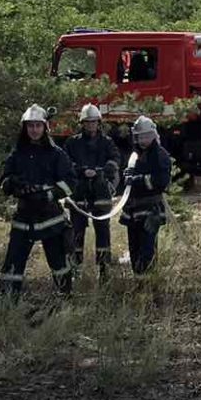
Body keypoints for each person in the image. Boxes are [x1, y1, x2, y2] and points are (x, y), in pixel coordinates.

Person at [0, 104, 77, 313]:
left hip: (50, 217)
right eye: (30, 126)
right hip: (24, 217)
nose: (34, 130)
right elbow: (3, 181)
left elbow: (71, 182)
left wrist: (49, 194)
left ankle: (64, 301)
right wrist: (13, 184)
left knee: (59, 262)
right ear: (25, 128)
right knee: (13, 262)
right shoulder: (17, 153)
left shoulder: (56, 154)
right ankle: (6, 303)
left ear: (45, 127)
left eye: (38, 126)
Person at [63, 103, 121, 280]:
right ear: (82, 123)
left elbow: (115, 160)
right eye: (87, 122)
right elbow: (65, 164)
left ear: (99, 122)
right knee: (76, 232)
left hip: (100, 191)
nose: (90, 125)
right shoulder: (72, 143)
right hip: (79, 192)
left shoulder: (107, 142)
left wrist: (103, 171)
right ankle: (75, 269)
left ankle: (104, 270)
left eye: (93, 122)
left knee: (103, 231)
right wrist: (81, 171)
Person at [119, 115, 172, 273]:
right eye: (139, 136)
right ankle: (139, 280)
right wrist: (127, 176)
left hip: (151, 210)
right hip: (133, 210)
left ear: (154, 135)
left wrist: (137, 180)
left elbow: (161, 181)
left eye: (146, 136)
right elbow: (129, 178)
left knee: (147, 250)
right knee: (134, 248)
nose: (142, 140)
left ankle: (148, 285)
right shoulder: (134, 155)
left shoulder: (160, 155)